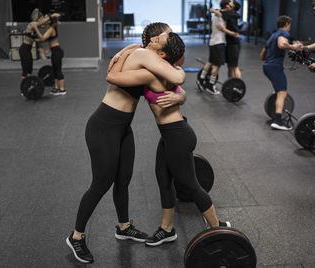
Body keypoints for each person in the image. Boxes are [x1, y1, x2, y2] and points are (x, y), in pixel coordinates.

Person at [66, 24, 187, 264]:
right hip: (103, 126)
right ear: (154, 41)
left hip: (122, 127)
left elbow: (175, 87)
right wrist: (178, 78)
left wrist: (180, 95)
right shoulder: (142, 55)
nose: (168, 38)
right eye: (165, 35)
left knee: (123, 179)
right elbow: (177, 76)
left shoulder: (147, 57)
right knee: (101, 182)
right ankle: (76, 236)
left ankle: (123, 226)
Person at [106, 35, 230, 248]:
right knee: (164, 181)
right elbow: (178, 76)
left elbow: (113, 76)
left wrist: (121, 53)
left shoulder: (150, 73)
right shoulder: (165, 67)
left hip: (177, 135)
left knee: (191, 185)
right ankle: (166, 230)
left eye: (157, 40)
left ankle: (218, 229)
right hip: (170, 134)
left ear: (162, 53)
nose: (152, 40)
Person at [260, 15, 303, 130]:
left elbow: (262, 56)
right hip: (274, 68)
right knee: (282, 93)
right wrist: (294, 47)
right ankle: (278, 121)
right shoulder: (284, 34)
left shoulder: (272, 36)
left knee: (279, 90)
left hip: (267, 67)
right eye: (289, 25)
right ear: (287, 24)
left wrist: (272, 57)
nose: (289, 27)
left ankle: (277, 110)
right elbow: (282, 44)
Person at [196, 0, 239, 95]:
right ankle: (211, 85)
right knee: (217, 65)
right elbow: (236, 15)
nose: (230, 7)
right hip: (219, 43)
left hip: (212, 42)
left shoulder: (218, 13)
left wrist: (214, 11)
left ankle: (201, 80)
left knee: (210, 62)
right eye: (229, 5)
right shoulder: (222, 14)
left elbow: (214, 10)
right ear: (227, 6)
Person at [33, 14, 65, 95]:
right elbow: (42, 39)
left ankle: (62, 90)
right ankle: (57, 88)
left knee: (58, 70)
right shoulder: (52, 27)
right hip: (55, 51)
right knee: (54, 70)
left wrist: (36, 29)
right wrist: (35, 39)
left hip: (57, 51)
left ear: (50, 21)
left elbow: (43, 38)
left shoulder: (51, 29)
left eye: (47, 20)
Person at [211, 0, 242, 79]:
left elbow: (236, 34)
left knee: (235, 67)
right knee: (230, 66)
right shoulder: (228, 14)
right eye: (228, 4)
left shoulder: (233, 17)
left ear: (233, 10)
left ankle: (238, 85)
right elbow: (218, 12)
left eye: (230, 6)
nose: (227, 6)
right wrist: (214, 10)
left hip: (234, 45)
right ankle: (230, 84)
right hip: (228, 44)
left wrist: (223, 29)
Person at [18, 9, 50, 81]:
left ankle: (29, 84)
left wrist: (49, 20)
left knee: (30, 69)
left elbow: (44, 25)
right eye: (41, 18)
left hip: (28, 50)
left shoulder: (36, 25)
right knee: (25, 71)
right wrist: (50, 17)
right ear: (38, 18)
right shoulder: (32, 24)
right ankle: (24, 89)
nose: (42, 20)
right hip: (24, 50)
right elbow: (42, 23)